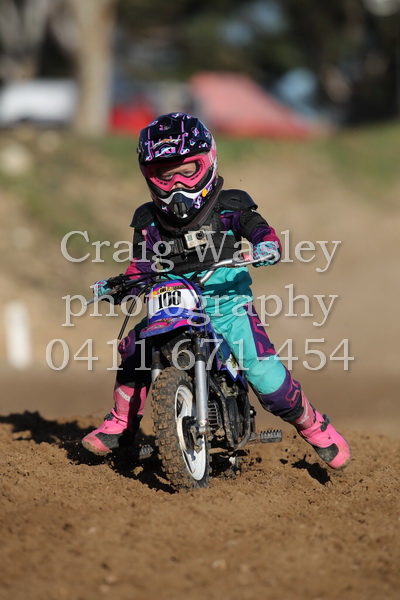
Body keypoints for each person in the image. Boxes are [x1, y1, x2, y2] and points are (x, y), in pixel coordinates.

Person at [82, 112, 351, 470]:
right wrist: (121, 285)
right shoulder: (148, 221)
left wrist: (266, 245)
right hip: (170, 305)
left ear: (208, 162)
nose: (177, 183)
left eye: (187, 170)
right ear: (150, 176)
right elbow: (141, 265)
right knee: (134, 348)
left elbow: (260, 231)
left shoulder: (230, 205)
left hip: (228, 307)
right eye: (166, 174)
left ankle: (312, 424)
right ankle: (121, 423)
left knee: (266, 377)